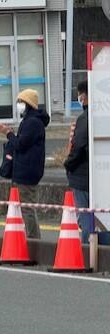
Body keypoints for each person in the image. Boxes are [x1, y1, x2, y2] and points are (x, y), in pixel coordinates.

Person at [0, 89, 50, 239]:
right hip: (25, 170)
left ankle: (33, 239)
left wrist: (8, 133)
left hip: (26, 171)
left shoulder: (32, 122)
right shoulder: (30, 121)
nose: (19, 105)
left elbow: (20, 144)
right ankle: (25, 238)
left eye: (21, 102)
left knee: (27, 208)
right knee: (23, 208)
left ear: (28, 104)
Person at [64, 80, 93, 244]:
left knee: (85, 217)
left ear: (83, 96)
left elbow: (79, 146)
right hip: (98, 176)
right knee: (100, 218)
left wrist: (68, 164)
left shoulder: (84, 118)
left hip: (81, 176)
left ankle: (87, 250)